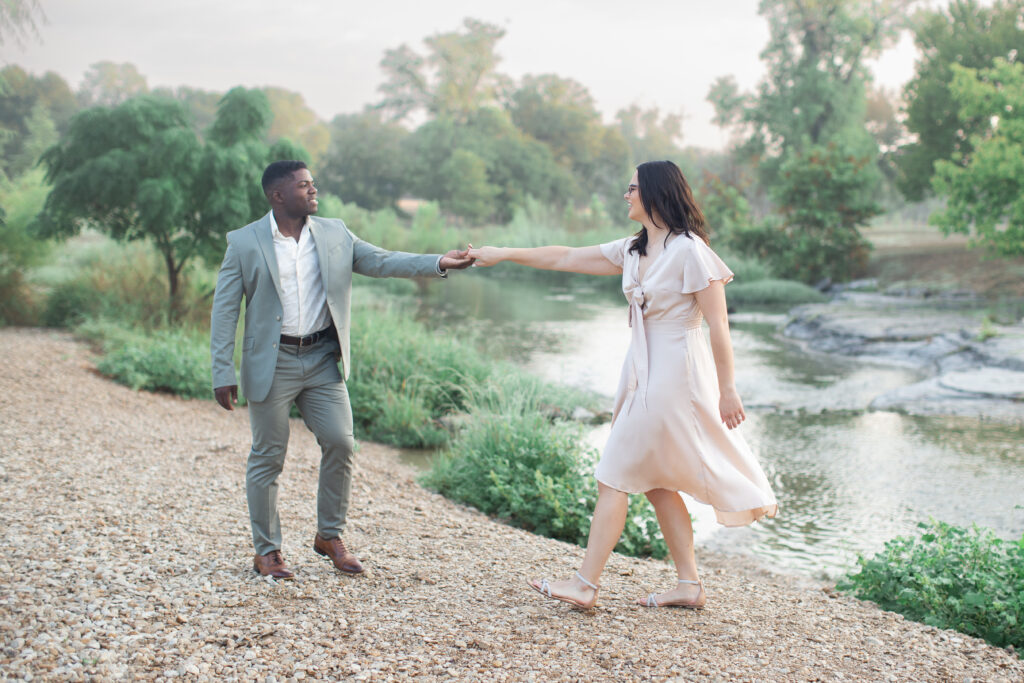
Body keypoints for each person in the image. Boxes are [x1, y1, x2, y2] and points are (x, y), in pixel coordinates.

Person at [467, 160, 777, 609]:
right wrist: (505, 253)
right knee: (654, 481)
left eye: (632, 188)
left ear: (654, 194)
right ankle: (689, 585)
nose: (625, 195)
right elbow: (567, 256)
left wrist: (728, 388)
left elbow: (719, 327)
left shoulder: (691, 251)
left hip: (676, 376)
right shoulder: (633, 250)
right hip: (641, 369)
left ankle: (585, 584)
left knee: (613, 473)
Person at [210, 160, 474, 580]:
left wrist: (439, 262)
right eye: (304, 185)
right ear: (278, 195)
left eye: (313, 183)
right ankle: (268, 551)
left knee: (341, 443)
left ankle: (328, 536)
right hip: (270, 363)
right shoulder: (244, 243)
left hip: (320, 360)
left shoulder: (335, 232)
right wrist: (222, 369)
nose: (314, 190)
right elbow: (225, 310)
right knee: (268, 456)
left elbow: (383, 261)